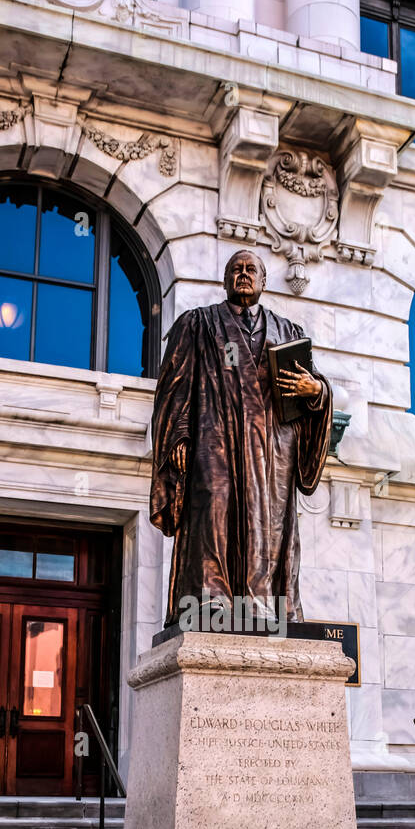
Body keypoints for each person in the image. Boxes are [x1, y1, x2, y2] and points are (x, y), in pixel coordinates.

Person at [149, 249, 332, 627]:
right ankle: (207, 601)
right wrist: (178, 437)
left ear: (264, 281)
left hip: (273, 450)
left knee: (269, 524)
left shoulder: (289, 333)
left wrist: (315, 390)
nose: (244, 274)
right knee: (212, 510)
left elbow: (314, 386)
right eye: (236, 269)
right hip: (213, 440)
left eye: (251, 270)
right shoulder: (197, 324)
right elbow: (173, 387)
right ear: (225, 279)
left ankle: (265, 607)